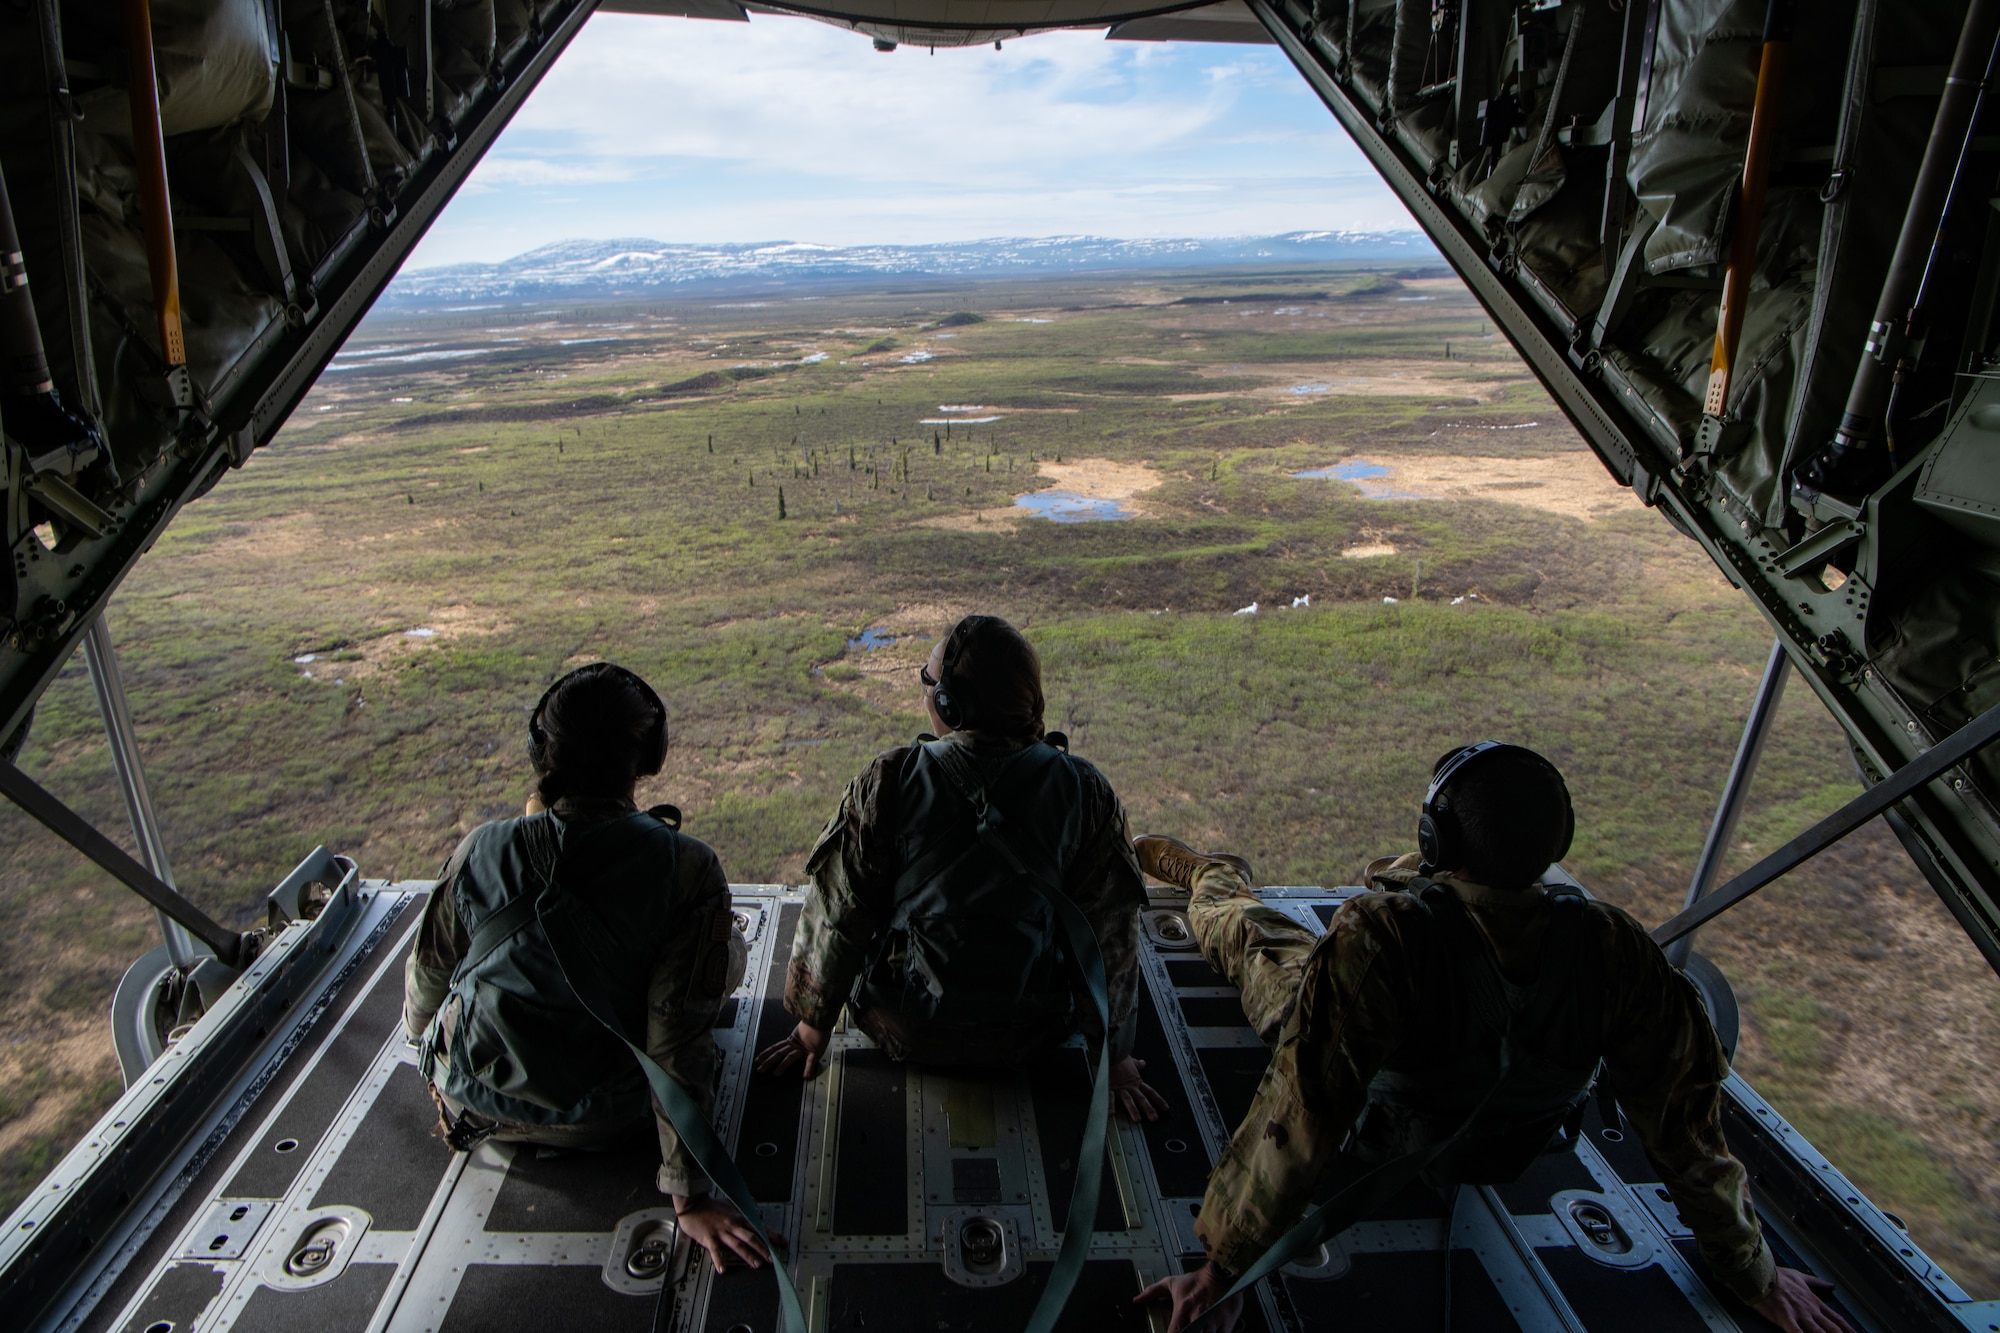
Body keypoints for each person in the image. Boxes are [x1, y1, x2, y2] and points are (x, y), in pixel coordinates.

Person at [1132, 742, 1854, 1333]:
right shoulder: (1614, 944)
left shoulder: (1383, 938)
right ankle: (1390, 878)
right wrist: (1752, 1273)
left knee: (1258, 941)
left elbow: (1303, 1108)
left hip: (1393, 1135)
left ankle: (1214, 877)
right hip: (1520, 1146)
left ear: (1435, 838)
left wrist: (1225, 1270)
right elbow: (1689, 1133)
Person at [402, 662, 768, 1273]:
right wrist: (688, 1196)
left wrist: (427, 1049)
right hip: (612, 1117)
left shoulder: (481, 849)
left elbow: (427, 986)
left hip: (478, 1104)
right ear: (647, 755)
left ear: (542, 753)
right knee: (728, 952)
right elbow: (676, 1038)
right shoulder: (687, 869)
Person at [756, 614, 1169, 1120]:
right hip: (1032, 1034)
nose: (926, 694)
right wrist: (1116, 1060)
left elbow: (840, 915)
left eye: (929, 684)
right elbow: (1108, 939)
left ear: (949, 704)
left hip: (903, 1029)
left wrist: (809, 1030)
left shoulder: (888, 781)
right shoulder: (1084, 791)